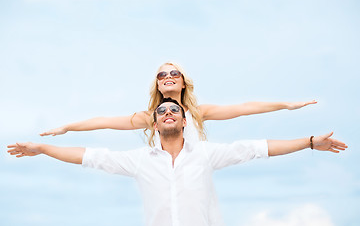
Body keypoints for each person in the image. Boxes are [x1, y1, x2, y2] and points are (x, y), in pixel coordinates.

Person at [8, 98, 347, 226]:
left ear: (185, 121)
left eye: (174, 110)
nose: (167, 112)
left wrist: (310, 140)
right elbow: (88, 155)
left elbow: (259, 149)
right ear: (154, 124)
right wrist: (42, 148)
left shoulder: (206, 155)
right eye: (160, 112)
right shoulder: (139, 161)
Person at [40, 62, 317, 146]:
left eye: (175, 74)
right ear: (158, 85)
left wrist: (285, 105)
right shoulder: (149, 117)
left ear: (183, 83)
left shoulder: (199, 113)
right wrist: (67, 128)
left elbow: (246, 107)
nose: (168, 77)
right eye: (162, 75)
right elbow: (101, 122)